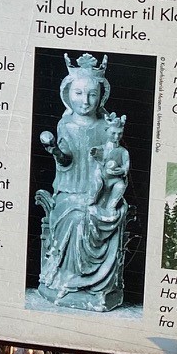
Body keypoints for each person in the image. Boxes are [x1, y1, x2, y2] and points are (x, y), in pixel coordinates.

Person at [31, 54, 130, 311]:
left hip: (99, 189)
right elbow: (66, 161)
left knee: (106, 211)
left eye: (92, 95)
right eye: (78, 93)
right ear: (67, 94)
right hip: (70, 189)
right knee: (75, 215)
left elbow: (116, 159)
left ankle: (97, 286)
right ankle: (68, 279)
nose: (84, 101)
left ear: (101, 97)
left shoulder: (105, 127)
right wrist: (53, 150)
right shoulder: (65, 124)